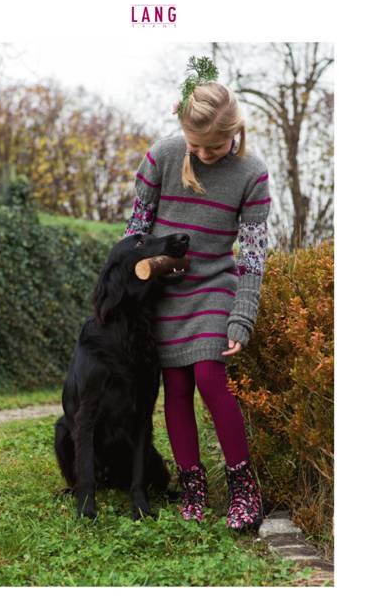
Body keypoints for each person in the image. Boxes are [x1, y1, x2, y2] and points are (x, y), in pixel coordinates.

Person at [122, 56, 271, 531]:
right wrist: (133, 289)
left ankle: (244, 487)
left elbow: (252, 256)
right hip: (164, 290)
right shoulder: (162, 156)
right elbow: (135, 231)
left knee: (209, 375)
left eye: (215, 146)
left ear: (235, 132)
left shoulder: (252, 174)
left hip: (213, 287)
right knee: (177, 387)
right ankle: (193, 486)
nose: (204, 154)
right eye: (195, 145)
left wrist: (242, 315)